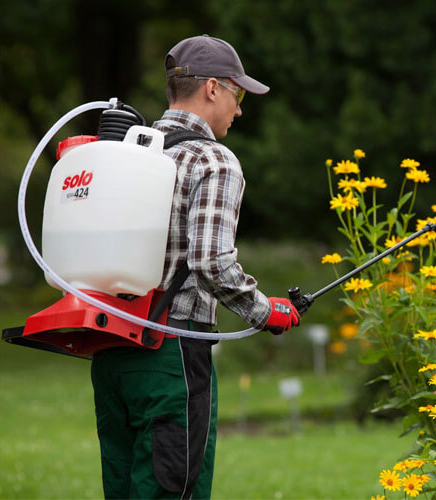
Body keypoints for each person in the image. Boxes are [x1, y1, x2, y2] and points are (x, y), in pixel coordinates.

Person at [90, 34, 301, 500]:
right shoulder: (213, 159)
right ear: (212, 88)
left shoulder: (126, 154)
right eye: (238, 94)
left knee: (124, 489)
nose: (239, 109)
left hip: (110, 349)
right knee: (173, 489)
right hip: (171, 351)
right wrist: (266, 311)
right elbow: (211, 260)